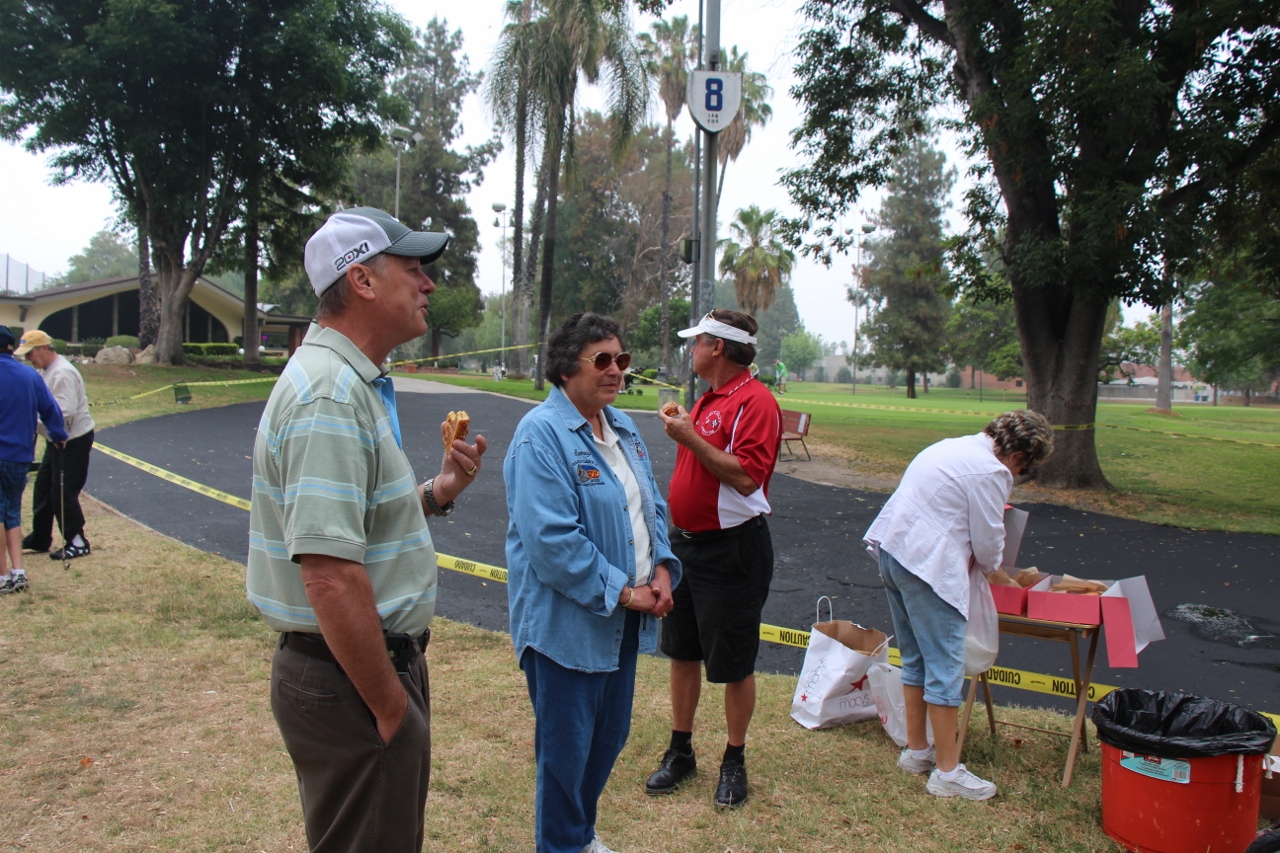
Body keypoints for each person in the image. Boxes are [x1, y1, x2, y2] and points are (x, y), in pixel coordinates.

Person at [246, 207, 487, 853]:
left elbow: (353, 524)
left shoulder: (346, 382)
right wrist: (389, 707)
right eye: (413, 268)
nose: (428, 284)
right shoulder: (330, 395)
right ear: (362, 280)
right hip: (354, 677)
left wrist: (438, 491)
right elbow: (328, 575)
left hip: (353, 670)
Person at [504, 313, 681, 853]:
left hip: (623, 623)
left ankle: (579, 836)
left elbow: (652, 507)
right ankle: (563, 843)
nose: (616, 370)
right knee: (566, 755)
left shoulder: (622, 427)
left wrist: (663, 567)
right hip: (566, 629)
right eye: (601, 359)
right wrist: (627, 593)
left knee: (608, 738)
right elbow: (553, 543)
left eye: (621, 359)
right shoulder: (540, 435)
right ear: (565, 368)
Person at [862, 410, 1054, 801]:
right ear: (1020, 455)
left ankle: (917, 751)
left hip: (894, 552)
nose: (1018, 474)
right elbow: (988, 542)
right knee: (946, 666)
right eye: (1024, 468)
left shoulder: (952, 447)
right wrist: (1000, 574)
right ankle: (947, 772)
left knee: (915, 658)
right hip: (929, 566)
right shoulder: (992, 471)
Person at [649, 309, 782, 809]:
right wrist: (688, 429)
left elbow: (747, 477)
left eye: (697, 342)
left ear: (718, 347)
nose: (692, 350)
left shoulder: (756, 401)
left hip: (732, 550)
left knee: (733, 660)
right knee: (682, 651)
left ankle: (734, 759)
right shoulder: (708, 397)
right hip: (687, 545)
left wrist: (689, 436)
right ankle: (681, 749)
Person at [16, 329, 96, 560]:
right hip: (55, 440)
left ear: (43, 348)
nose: (28, 358)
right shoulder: (44, 371)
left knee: (62, 491)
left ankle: (77, 541)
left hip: (72, 440)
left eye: (30, 353)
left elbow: (64, 412)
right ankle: (40, 537)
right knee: (43, 487)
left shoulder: (62, 373)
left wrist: (30, 421)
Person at [0, 325, 67, 594]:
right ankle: (19, 571)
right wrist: (58, 434)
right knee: (12, 510)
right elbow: (51, 409)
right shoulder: (30, 375)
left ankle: (2, 575)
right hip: (19, 455)